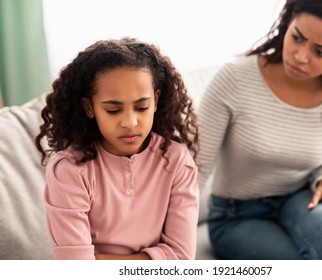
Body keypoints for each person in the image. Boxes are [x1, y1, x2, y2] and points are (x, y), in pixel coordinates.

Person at [197, 0, 322, 260]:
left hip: (301, 199)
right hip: (234, 215)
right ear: (288, 21)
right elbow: (196, 168)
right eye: (297, 38)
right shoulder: (235, 79)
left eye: (321, 52)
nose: (300, 56)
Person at [35, 38, 200, 260]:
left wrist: (100, 259)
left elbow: (182, 257)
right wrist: (156, 259)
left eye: (142, 107)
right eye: (113, 110)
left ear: (156, 100)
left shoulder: (176, 161)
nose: (130, 122)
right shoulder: (70, 171)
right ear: (89, 107)